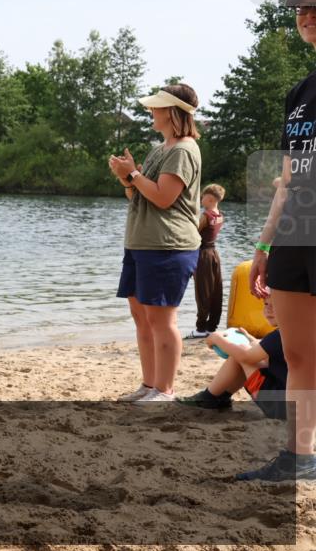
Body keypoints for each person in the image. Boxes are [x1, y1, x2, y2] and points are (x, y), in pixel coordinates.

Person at [241, 0, 316, 482]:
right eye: (300, 10)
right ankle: (300, 456)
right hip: (296, 230)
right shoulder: (300, 94)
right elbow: (290, 176)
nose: (306, 16)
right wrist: (265, 243)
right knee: (296, 351)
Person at [109, 83, 202, 403]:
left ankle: (165, 390)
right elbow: (137, 194)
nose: (151, 111)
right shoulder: (161, 148)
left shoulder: (183, 150)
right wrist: (127, 176)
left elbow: (164, 198)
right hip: (141, 243)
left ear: (173, 112)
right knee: (142, 316)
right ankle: (149, 386)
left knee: (162, 320)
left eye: (156, 107)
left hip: (168, 246)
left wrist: (133, 173)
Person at [177, 294, 285, 421]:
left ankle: (208, 398)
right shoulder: (299, 332)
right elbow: (273, 355)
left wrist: (216, 339)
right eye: (266, 304)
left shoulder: (278, 336)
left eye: (275, 305)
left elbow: (245, 356)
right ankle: (219, 398)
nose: (268, 309)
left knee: (240, 354)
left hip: (279, 407)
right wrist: (254, 340)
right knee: (247, 353)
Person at [188, 183, 226, 338]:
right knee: (216, 291)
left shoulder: (206, 215)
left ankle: (200, 329)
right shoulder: (220, 215)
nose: (201, 199)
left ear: (209, 199)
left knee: (202, 291)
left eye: (202, 196)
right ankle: (212, 326)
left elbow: (192, 233)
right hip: (214, 254)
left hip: (203, 255)